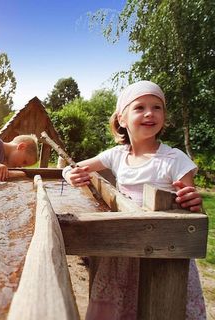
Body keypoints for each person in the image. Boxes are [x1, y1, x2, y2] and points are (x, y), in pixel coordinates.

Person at [63, 80, 206, 319]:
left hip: (163, 254)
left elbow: (192, 212)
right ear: (122, 118)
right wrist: (70, 174)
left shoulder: (174, 159)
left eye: (157, 107)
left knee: (160, 306)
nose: (150, 113)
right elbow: (74, 167)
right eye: (140, 107)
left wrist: (192, 202)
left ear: (164, 116)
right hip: (124, 250)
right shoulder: (117, 155)